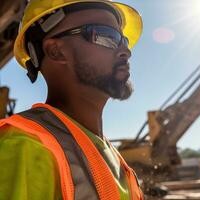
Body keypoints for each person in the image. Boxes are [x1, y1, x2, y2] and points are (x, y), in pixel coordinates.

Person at [0, 0, 144, 199]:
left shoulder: (114, 158)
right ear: (56, 51)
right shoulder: (25, 146)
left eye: (124, 40)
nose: (125, 51)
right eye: (107, 36)